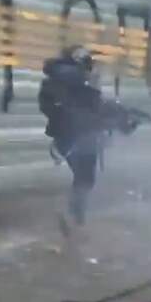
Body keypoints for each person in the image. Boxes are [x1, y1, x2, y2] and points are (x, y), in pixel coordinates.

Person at [39, 46, 103, 234]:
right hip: (75, 135)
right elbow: (91, 108)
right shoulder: (75, 80)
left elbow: (94, 108)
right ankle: (73, 215)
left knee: (84, 176)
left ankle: (74, 215)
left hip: (74, 135)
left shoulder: (63, 79)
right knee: (85, 177)